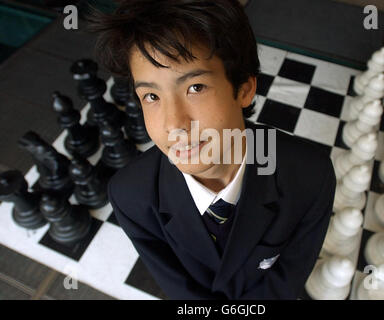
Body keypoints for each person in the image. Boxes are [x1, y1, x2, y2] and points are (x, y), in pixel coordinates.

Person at [86, 0, 336, 299]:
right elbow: (178, 287)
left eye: (195, 87)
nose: (173, 124)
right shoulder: (131, 196)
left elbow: (289, 276)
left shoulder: (311, 175)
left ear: (244, 88)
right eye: (151, 95)